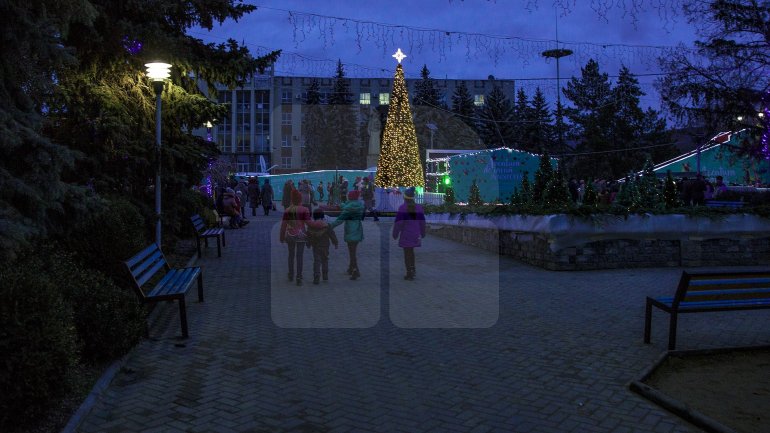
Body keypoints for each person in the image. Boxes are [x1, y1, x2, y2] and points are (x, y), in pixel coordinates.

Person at [392, 187, 426, 280]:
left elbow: (399, 223)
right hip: (415, 234)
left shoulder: (403, 208)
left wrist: (395, 234)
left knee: (407, 253)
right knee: (411, 252)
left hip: (406, 234)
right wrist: (423, 232)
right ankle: (413, 269)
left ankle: (409, 273)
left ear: (405, 198)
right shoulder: (418, 208)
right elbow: (422, 221)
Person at [330, 190, 365, 280]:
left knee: (352, 253)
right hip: (358, 231)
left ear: (350, 197)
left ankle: (355, 270)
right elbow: (347, 206)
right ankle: (350, 268)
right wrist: (343, 206)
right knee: (353, 251)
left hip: (350, 232)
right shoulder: (359, 206)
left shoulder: (348, 210)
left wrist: (330, 226)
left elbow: (339, 220)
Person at [280, 189, 311, 286]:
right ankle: (299, 276)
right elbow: (308, 223)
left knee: (291, 255)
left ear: (292, 199)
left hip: (290, 235)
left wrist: (281, 237)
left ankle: (290, 274)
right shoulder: (304, 210)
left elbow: (283, 225)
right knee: (300, 256)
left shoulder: (288, 210)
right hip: (301, 235)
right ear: (300, 199)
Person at [305, 208, 339, 285]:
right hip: (325, 246)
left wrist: (308, 244)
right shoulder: (327, 226)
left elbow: (308, 236)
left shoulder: (311, 226)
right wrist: (335, 243)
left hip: (315, 246)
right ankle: (325, 275)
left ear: (314, 216)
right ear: (323, 216)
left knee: (317, 261)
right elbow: (332, 235)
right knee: (325, 260)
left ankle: (316, 276)